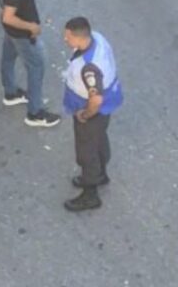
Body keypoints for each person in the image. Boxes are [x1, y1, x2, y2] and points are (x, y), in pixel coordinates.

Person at [61, 17, 123, 212]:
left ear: (79, 38)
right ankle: (101, 174)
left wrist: (85, 115)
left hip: (91, 111)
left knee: (87, 152)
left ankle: (90, 194)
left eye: (68, 36)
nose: (65, 39)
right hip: (107, 107)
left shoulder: (89, 68)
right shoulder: (97, 38)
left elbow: (95, 100)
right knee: (99, 141)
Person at [0, 0, 60, 128]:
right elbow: (8, 17)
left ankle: (11, 92)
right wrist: (31, 27)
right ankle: (35, 112)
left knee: (8, 58)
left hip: (12, 32)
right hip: (21, 33)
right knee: (36, 66)